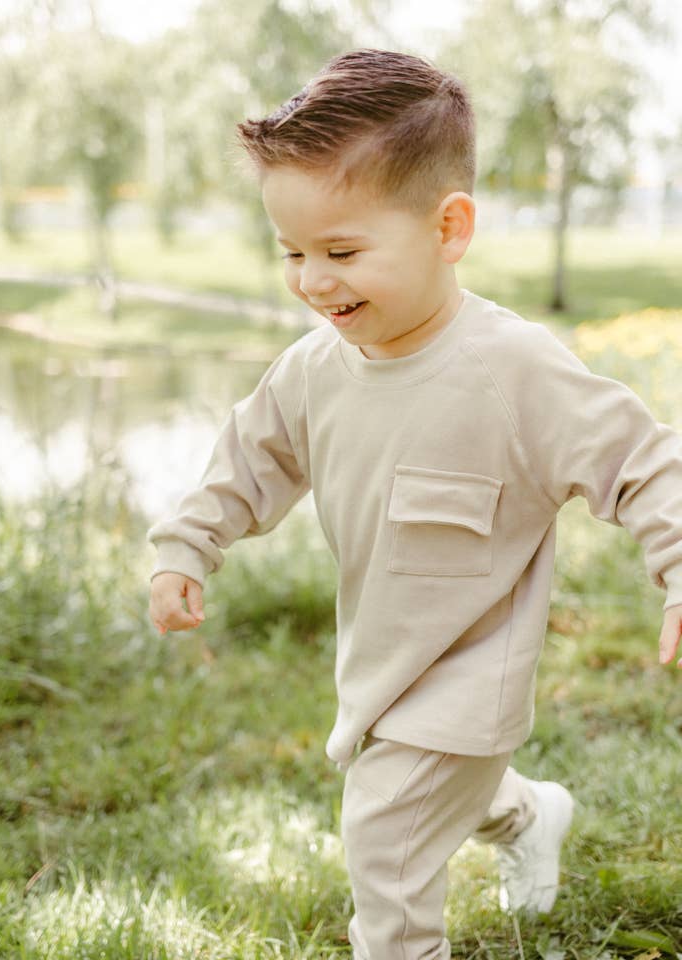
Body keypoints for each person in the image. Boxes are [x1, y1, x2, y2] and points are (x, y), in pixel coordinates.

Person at [147, 49, 682, 960]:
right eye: (294, 253)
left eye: (344, 252)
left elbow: (644, 461)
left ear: (450, 227)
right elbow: (249, 456)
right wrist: (185, 546)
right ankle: (526, 814)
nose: (315, 280)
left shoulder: (512, 369)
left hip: (471, 674)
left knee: (384, 841)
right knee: (436, 790)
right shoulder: (315, 366)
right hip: (381, 663)